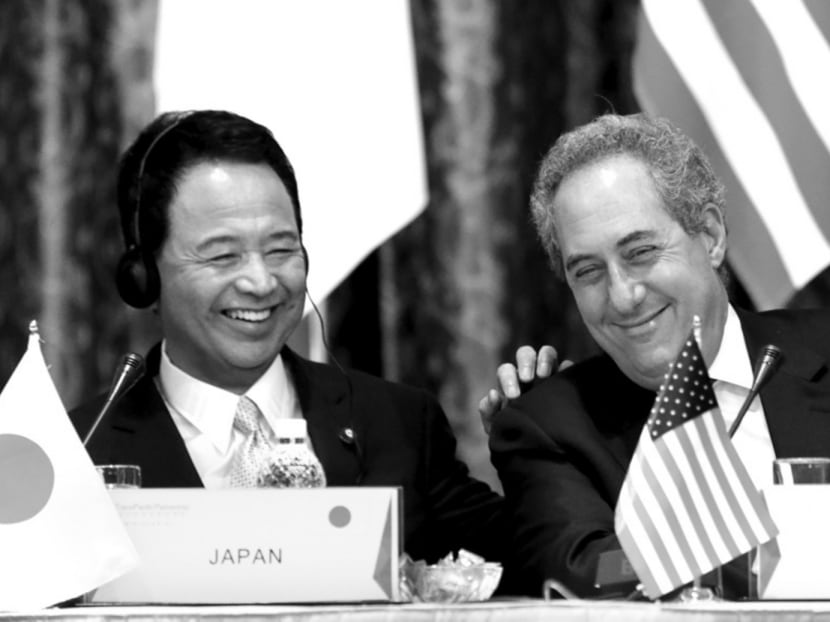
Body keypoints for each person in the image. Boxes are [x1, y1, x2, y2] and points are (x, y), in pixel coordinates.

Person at [69, 109, 506, 566]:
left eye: (281, 250)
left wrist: (535, 455)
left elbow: (528, 570)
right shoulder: (79, 452)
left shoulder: (398, 424)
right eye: (222, 256)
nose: (261, 283)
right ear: (143, 276)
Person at [486, 113, 830, 598]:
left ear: (709, 237)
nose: (623, 295)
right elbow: (584, 574)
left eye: (641, 252)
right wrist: (774, 562)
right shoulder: (550, 426)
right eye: (587, 271)